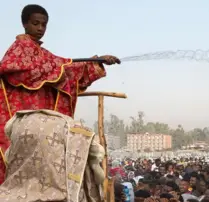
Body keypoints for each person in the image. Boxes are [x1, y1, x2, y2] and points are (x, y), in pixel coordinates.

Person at [0, 4, 120, 183]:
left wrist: (96, 61)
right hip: (24, 116)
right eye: (35, 23)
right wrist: (59, 67)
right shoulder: (20, 48)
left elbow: (62, 68)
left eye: (44, 24)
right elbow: (25, 70)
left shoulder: (41, 52)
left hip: (39, 119)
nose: (40, 28)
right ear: (25, 24)